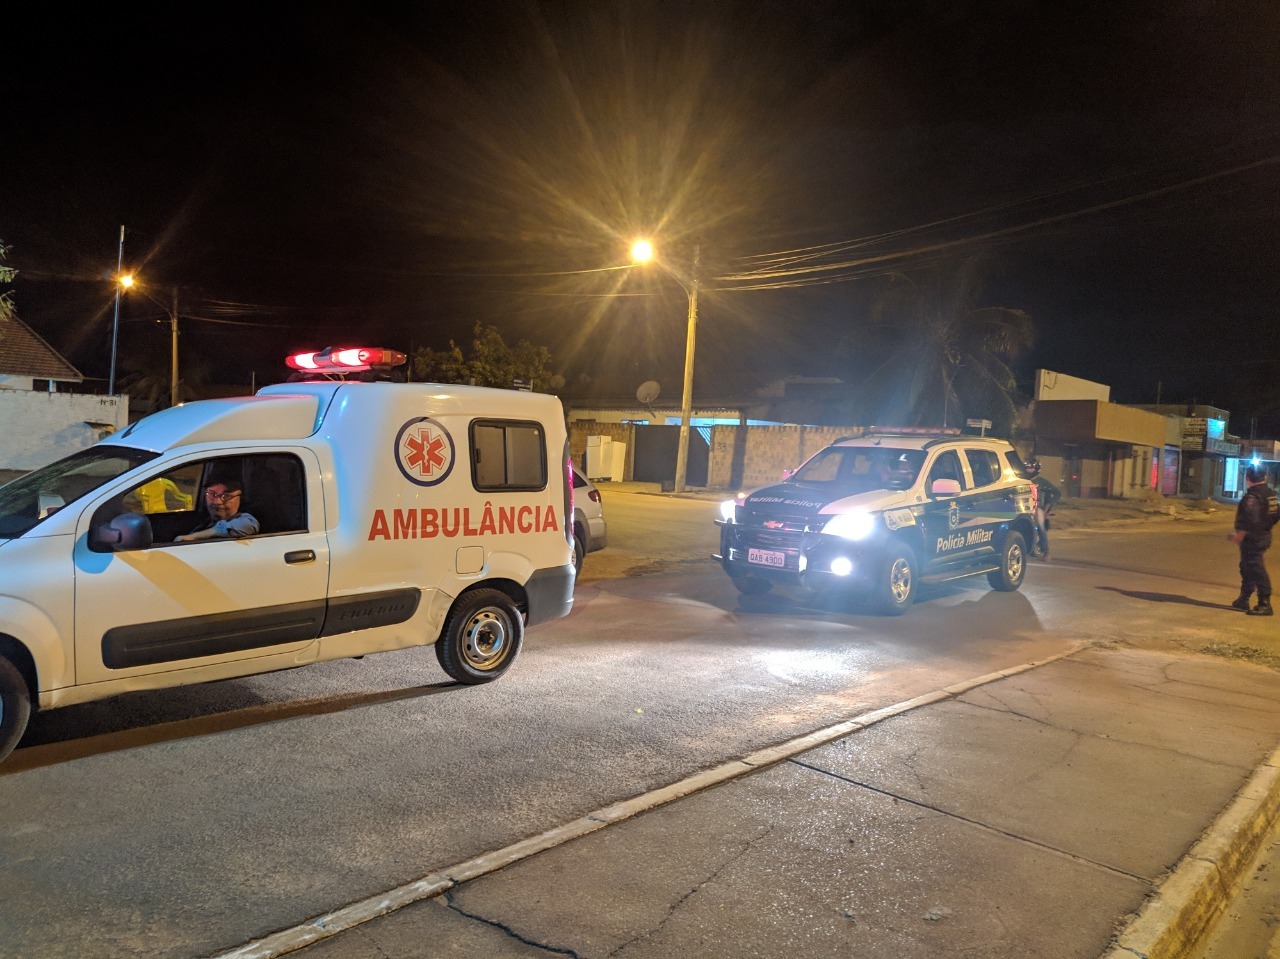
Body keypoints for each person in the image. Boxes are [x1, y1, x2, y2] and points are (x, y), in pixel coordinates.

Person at [1227, 464, 1279, 615]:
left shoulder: (1252, 496)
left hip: (1252, 539)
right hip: (1264, 535)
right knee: (1247, 566)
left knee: (1256, 569)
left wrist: (1240, 535)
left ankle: (1265, 603)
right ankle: (1243, 599)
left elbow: (1250, 518)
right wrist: (1265, 526)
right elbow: (1276, 515)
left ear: (1247, 479)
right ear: (1265, 477)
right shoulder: (1271, 494)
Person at [175, 477, 259, 542]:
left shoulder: (246, 520)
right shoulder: (205, 520)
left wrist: (192, 537)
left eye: (226, 496)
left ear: (240, 498)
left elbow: (246, 525)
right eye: (211, 494)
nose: (216, 502)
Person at [1025, 460, 1061, 559]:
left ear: (1036, 469)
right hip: (1022, 507)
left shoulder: (1042, 481)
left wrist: (1049, 504)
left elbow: (1057, 493)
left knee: (1041, 527)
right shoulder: (1022, 480)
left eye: (1031, 468)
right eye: (1027, 467)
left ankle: (1046, 551)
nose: (1029, 470)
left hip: (1036, 507)